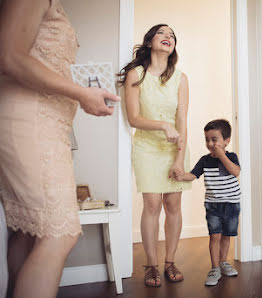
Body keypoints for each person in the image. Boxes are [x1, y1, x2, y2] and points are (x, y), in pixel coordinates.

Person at [0, 0, 119, 297]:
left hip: (43, 120)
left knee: (29, 232)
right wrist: (81, 93)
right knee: (60, 232)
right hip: (30, 117)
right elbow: (9, 56)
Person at [118, 24, 191, 287]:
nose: (168, 37)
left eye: (172, 34)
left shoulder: (181, 78)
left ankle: (170, 261)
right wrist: (162, 125)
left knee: (173, 206)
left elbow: (182, 121)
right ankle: (151, 265)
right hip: (147, 148)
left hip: (175, 148)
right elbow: (134, 118)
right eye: (162, 33)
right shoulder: (135, 74)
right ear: (149, 42)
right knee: (152, 205)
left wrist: (180, 158)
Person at [175, 119, 241, 286]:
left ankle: (224, 262)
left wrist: (222, 156)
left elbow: (235, 172)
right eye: (207, 139)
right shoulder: (205, 160)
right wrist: (182, 176)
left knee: (227, 236)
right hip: (213, 206)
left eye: (214, 139)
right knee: (214, 236)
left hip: (232, 204)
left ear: (226, 141)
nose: (210, 143)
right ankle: (215, 267)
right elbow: (193, 174)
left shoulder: (232, 157)